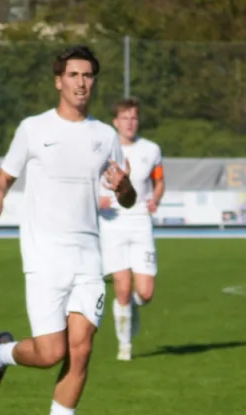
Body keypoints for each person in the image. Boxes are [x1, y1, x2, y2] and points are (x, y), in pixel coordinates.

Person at [0, 45, 134, 415]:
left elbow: (128, 196)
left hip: (88, 258)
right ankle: (3, 354)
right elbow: (3, 178)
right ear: (58, 80)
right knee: (51, 353)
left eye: (88, 75)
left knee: (81, 350)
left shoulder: (105, 136)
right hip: (44, 256)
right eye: (74, 75)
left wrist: (124, 189)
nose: (82, 82)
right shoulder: (32, 128)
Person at [97, 98, 164, 362]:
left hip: (140, 224)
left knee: (145, 293)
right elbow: (89, 180)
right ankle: (124, 346)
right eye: (125, 118)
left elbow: (159, 182)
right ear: (115, 122)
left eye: (134, 118)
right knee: (122, 288)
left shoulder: (151, 149)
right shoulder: (102, 149)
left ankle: (132, 311)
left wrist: (155, 198)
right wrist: (97, 196)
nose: (130, 123)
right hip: (112, 223)